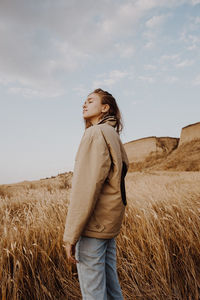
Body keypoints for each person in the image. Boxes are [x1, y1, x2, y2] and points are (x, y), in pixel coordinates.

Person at [63, 88, 129, 300]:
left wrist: (71, 235)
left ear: (104, 107)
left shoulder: (95, 133)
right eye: (84, 101)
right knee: (111, 291)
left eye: (90, 101)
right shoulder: (112, 134)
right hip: (108, 225)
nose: (84, 104)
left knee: (93, 294)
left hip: (93, 227)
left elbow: (86, 188)